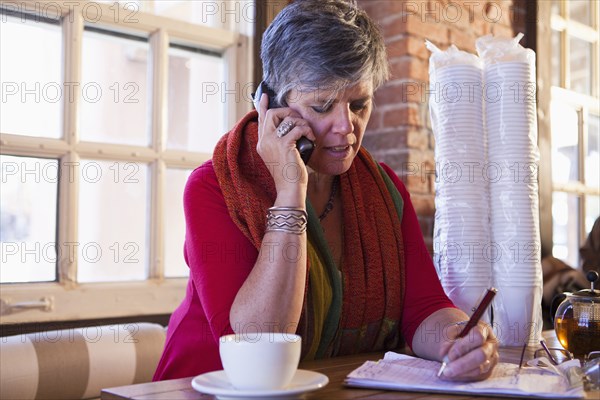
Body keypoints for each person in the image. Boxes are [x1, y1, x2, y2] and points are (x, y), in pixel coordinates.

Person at [153, 0, 498, 383]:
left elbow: (424, 307)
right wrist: (289, 190)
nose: (346, 127)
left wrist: (458, 338)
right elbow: (256, 342)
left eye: (359, 104)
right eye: (321, 105)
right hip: (200, 388)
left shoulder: (383, 190)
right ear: (271, 105)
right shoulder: (214, 188)